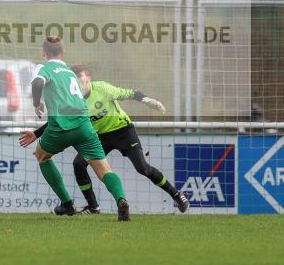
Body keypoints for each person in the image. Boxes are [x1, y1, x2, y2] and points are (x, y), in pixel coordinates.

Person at [22, 65, 187, 214]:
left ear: (88, 79)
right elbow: (59, 119)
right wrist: (37, 133)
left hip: (122, 131)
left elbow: (128, 93)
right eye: (75, 79)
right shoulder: (73, 98)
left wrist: (146, 100)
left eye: (81, 79)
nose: (78, 83)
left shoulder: (102, 89)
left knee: (142, 168)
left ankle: (176, 195)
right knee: (79, 164)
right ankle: (93, 206)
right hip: (99, 136)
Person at [18, 37, 131, 221]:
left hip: (60, 126)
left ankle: (67, 204)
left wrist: (36, 103)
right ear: (63, 53)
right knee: (104, 170)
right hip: (84, 125)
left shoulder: (43, 67)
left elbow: (37, 83)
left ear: (44, 53)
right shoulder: (70, 73)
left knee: (42, 156)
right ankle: (121, 200)